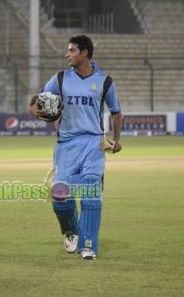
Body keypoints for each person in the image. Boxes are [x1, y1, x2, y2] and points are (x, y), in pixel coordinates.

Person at [29, 35, 122, 260]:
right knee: (60, 197)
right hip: (67, 146)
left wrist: (117, 140)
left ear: (84, 53)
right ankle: (71, 231)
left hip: (93, 144)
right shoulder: (60, 78)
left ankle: (89, 245)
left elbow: (116, 111)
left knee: (91, 193)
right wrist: (40, 112)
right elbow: (36, 103)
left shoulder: (104, 81)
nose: (67, 54)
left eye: (71, 50)